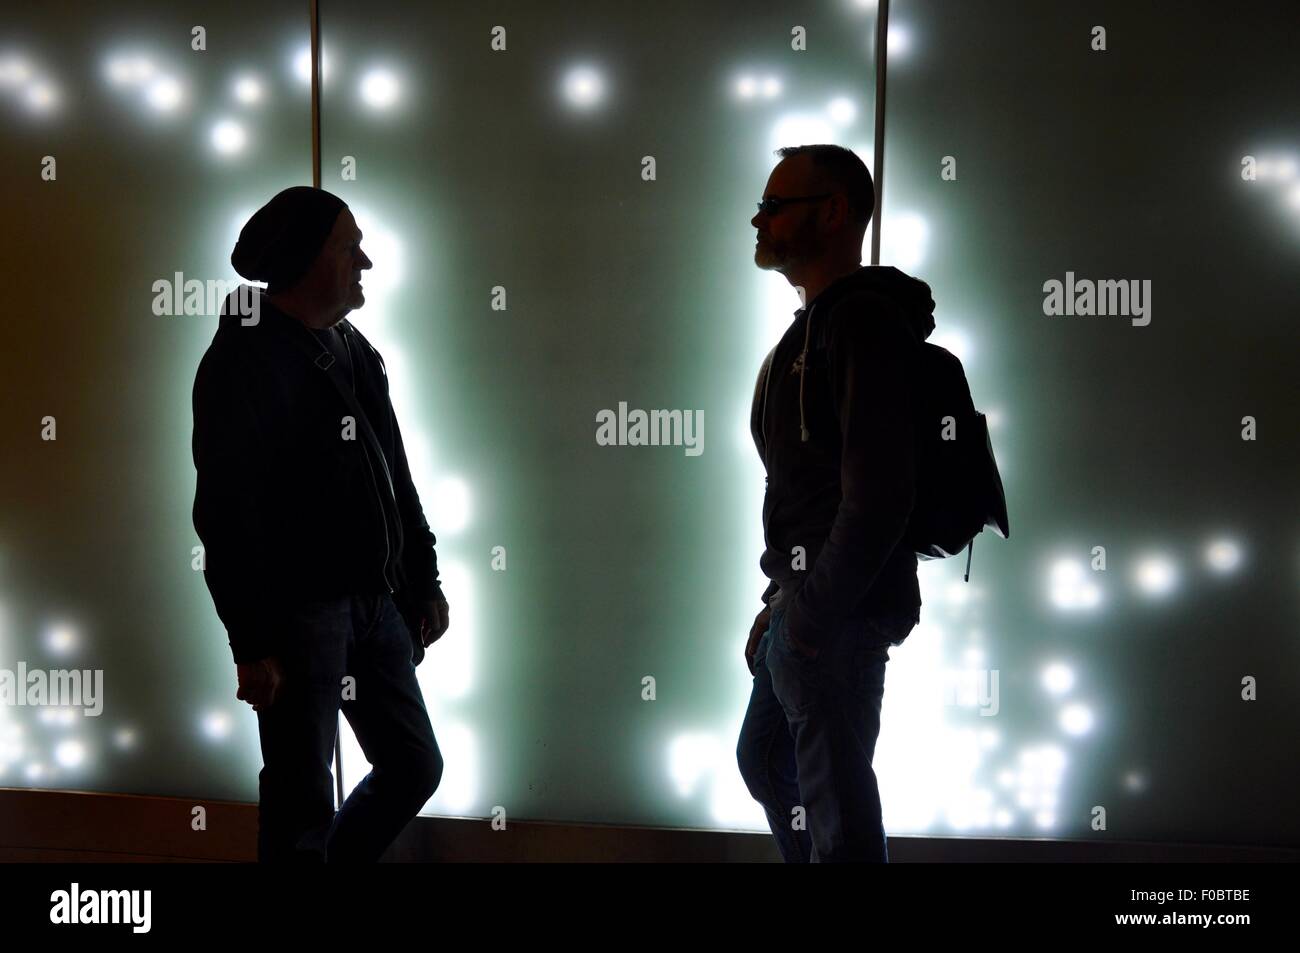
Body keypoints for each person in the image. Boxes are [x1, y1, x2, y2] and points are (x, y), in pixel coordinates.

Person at [192, 186, 449, 862]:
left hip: (373, 598)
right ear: (307, 258)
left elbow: (395, 470)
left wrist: (420, 579)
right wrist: (250, 639)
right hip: (298, 612)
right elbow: (225, 509)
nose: (364, 260)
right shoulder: (243, 361)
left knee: (414, 764)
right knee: (300, 794)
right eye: (348, 246)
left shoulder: (353, 348)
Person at [736, 145, 936, 862]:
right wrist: (781, 597)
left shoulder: (861, 324)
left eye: (775, 205)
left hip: (836, 612)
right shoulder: (811, 329)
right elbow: (807, 490)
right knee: (766, 760)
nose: (757, 219)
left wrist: (812, 613)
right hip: (806, 603)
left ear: (832, 212)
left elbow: (879, 492)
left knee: (841, 823)